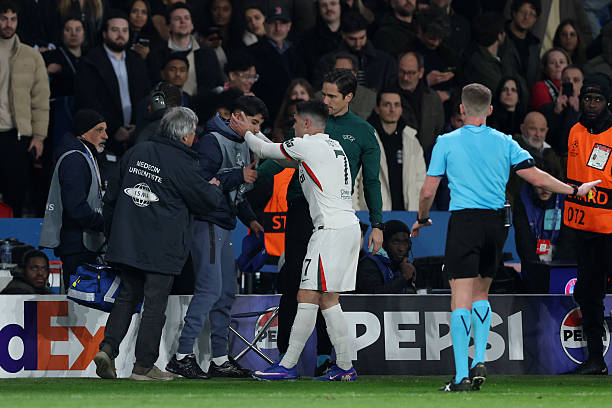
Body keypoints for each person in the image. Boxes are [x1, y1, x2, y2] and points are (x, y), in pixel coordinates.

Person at [410, 83, 600, 391]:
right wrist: (574, 190)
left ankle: (461, 376)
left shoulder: (447, 141)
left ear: (461, 109)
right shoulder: (505, 141)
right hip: (497, 222)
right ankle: (479, 360)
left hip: (465, 220)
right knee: (481, 293)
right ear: (489, 110)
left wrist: (421, 218)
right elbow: (536, 176)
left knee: (460, 295)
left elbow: (428, 191)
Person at [234, 99, 361, 381]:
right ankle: (344, 366)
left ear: (306, 123)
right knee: (328, 299)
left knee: (306, 295)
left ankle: (288, 365)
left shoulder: (309, 145)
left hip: (329, 231)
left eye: (294, 122)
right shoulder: (332, 146)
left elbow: (265, 151)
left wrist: (246, 133)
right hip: (348, 228)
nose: (292, 127)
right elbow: (280, 156)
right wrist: (256, 134)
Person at [94, 107, 223, 381]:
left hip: (128, 241)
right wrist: (213, 186)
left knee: (127, 297)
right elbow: (207, 201)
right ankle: (143, 366)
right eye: (194, 132)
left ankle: (107, 349)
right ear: (186, 135)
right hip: (162, 247)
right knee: (154, 306)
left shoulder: (136, 151)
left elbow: (111, 195)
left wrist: (111, 233)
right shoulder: (182, 162)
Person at [166, 96, 266, 380]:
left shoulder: (243, 144)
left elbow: (235, 192)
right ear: (237, 117)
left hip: (223, 223)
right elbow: (200, 182)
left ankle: (219, 359)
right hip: (207, 222)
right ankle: (182, 355)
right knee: (210, 290)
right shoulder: (212, 141)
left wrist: (251, 220)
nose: (257, 130)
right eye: (254, 122)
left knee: (226, 293)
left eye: (259, 125)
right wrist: (238, 175)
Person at [563, 77, 612, 375]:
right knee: (588, 294)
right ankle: (596, 359)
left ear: (607, 103)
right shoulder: (574, 131)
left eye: (598, 100)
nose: (591, 104)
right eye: (587, 99)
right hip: (584, 229)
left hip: (610, 229)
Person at [39, 109, 107, 290]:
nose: (105, 136)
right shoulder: (74, 159)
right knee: (79, 301)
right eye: (99, 130)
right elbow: (75, 207)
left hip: (84, 244)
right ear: (83, 132)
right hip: (78, 246)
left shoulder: (83, 155)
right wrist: (105, 223)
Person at [73, 10, 151, 159]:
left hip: (135, 136)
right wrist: (114, 129)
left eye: (124, 30)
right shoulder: (90, 61)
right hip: (103, 138)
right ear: (104, 34)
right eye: (115, 30)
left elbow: (145, 95)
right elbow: (89, 100)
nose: (121, 34)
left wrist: (138, 125)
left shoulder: (136, 60)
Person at [0, 0, 50, 218]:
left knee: (16, 199)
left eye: (13, 19)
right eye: (3, 18)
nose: (8, 24)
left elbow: (40, 101)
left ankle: (13, 239)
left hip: (18, 136)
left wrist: (39, 136)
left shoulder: (31, 56)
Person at [356, 89, 425, 211]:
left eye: (396, 105)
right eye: (387, 105)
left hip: (407, 214)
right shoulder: (364, 139)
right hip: (373, 214)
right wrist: (356, 213)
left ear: (401, 109)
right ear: (377, 109)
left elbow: (421, 180)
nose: (392, 109)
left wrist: (416, 207)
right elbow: (353, 180)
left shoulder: (412, 140)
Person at [247, 4, 307, 121]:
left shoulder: (298, 50)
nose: (278, 28)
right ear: (265, 25)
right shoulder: (251, 53)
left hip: (298, 114)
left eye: (282, 23)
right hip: (267, 115)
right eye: (273, 23)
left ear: (289, 26)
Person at [312, 11, 397, 91]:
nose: (358, 43)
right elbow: (320, 90)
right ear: (343, 35)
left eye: (362, 37)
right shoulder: (327, 62)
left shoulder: (385, 61)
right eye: (352, 39)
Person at [161, 2, 224, 97]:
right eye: (177, 18)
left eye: (187, 18)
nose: (183, 22)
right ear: (168, 26)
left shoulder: (208, 53)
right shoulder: (158, 53)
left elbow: (217, 85)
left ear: (192, 25)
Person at [396, 51, 444, 155]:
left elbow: (439, 129)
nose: (405, 77)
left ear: (421, 72)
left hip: (428, 156)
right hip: (399, 155)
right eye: (402, 72)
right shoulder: (389, 95)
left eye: (411, 73)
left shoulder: (433, 97)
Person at [356, 220, 416, 294]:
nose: (401, 248)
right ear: (384, 243)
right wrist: (404, 277)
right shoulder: (368, 265)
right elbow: (374, 297)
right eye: (395, 242)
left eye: (405, 242)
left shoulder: (402, 266)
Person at [540, 65, 583, 159]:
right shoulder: (547, 109)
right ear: (561, 83)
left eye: (575, 80)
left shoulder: (589, 111)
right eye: (566, 80)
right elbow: (546, 140)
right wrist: (556, 112)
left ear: (582, 85)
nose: (571, 83)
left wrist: (576, 113)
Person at [297, 0, 343, 80]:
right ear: (318, 9)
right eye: (323, 5)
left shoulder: (352, 33)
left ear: (340, 6)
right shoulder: (307, 39)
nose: (329, 8)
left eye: (333, 3)